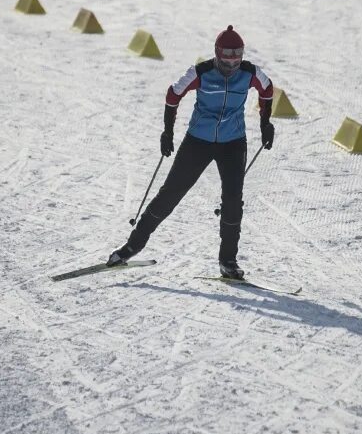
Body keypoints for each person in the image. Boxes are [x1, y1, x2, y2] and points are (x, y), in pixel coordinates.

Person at [107, 25, 275, 279]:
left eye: (236, 63)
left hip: (233, 143)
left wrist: (265, 123)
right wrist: (167, 131)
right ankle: (132, 246)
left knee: (233, 202)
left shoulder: (251, 73)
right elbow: (173, 94)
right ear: (217, 56)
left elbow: (267, 90)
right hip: (198, 141)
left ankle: (228, 261)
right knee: (170, 195)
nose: (231, 70)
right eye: (226, 64)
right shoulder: (201, 72)